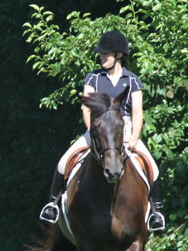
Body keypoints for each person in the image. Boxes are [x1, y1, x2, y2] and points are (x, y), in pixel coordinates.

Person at [38, 31, 165, 231]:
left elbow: (138, 112)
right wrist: (94, 132)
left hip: (124, 127)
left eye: (106, 54)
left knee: (152, 165)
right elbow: (85, 108)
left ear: (119, 55)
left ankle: (157, 212)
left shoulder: (132, 81)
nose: (102, 57)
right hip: (98, 128)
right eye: (101, 54)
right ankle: (52, 206)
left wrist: (134, 137)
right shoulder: (93, 78)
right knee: (64, 161)